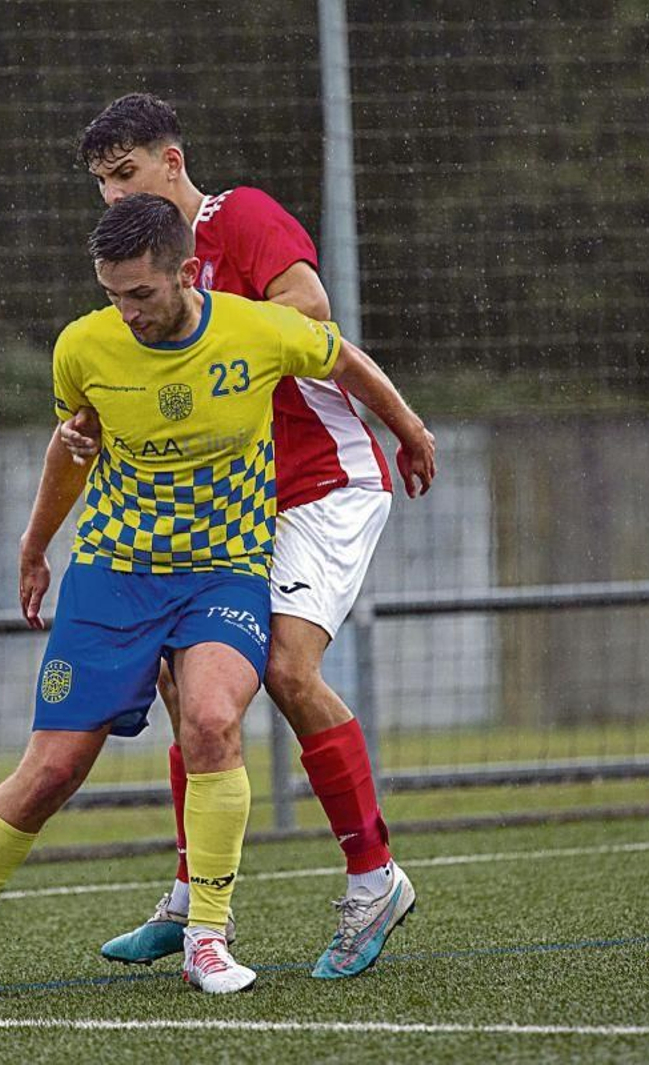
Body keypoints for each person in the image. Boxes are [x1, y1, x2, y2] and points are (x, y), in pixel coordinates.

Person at [0, 193, 435, 1003]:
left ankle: (206, 935)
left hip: (222, 573)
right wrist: (34, 546)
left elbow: (342, 357)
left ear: (186, 273)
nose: (127, 312)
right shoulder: (83, 346)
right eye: (113, 295)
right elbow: (74, 443)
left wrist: (409, 429)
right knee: (53, 768)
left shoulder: (257, 329)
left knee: (211, 719)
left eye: (140, 293)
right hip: (113, 573)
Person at [65, 92, 421, 980]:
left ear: (173, 162)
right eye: (103, 183)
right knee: (190, 687)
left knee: (290, 669)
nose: (114, 195)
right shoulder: (144, 278)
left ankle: (375, 877)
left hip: (323, 483)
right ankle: (190, 892)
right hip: (241, 504)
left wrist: (406, 425)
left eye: (126, 173)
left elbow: (310, 311)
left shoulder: (242, 218)